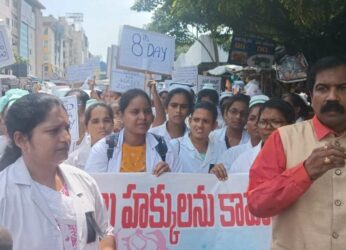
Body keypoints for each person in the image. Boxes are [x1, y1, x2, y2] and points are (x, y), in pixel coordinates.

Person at [247, 56, 346, 250]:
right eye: (322, 88)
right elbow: (257, 204)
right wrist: (305, 172)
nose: (333, 97)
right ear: (310, 94)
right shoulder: (282, 139)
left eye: (343, 88)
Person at [0, 93, 115, 250]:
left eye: (67, 128)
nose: (66, 137)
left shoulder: (84, 182)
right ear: (21, 139)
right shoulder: (4, 192)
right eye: (53, 131)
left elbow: (105, 231)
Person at [85, 89, 181, 175]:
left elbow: (179, 188)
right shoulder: (103, 149)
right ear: (121, 115)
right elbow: (92, 187)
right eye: (135, 112)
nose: (143, 117)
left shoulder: (165, 148)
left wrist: (169, 177)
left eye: (147, 112)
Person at [211, 95, 269, 179]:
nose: (238, 117)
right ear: (225, 113)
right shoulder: (231, 153)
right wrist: (215, 171)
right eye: (252, 118)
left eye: (263, 120)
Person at [170, 101, 221, 173]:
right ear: (190, 121)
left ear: (214, 126)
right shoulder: (175, 146)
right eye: (196, 120)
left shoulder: (220, 149)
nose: (200, 125)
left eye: (205, 121)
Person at [66, 102, 114, 169]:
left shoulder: (123, 153)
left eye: (106, 121)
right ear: (86, 127)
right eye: (95, 121)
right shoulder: (73, 160)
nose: (102, 126)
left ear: (113, 124)